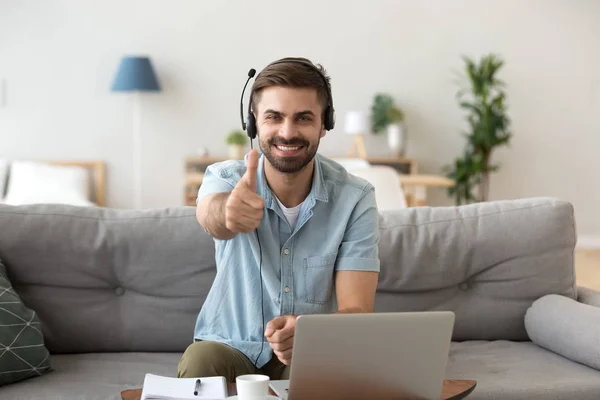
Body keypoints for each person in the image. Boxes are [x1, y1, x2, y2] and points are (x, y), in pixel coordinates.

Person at [177, 57, 380, 382]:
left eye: (303, 118)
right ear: (254, 122)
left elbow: (357, 311)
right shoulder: (226, 178)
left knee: (327, 370)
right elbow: (211, 214)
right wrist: (228, 211)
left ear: (324, 124)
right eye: (274, 117)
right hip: (229, 347)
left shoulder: (355, 197)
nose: (288, 132)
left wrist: (311, 330)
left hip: (309, 352)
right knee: (201, 359)